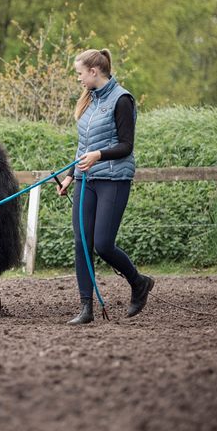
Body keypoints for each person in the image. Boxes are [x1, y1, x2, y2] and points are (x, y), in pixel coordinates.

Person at [56, 48, 154, 325]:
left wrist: (98, 156)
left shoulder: (121, 100)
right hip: (87, 180)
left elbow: (126, 146)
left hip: (114, 179)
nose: (78, 79)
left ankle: (139, 282)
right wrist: (71, 176)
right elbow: (83, 146)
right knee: (82, 243)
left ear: (93, 72)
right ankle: (85, 308)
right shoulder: (89, 102)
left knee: (103, 245)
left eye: (79, 74)